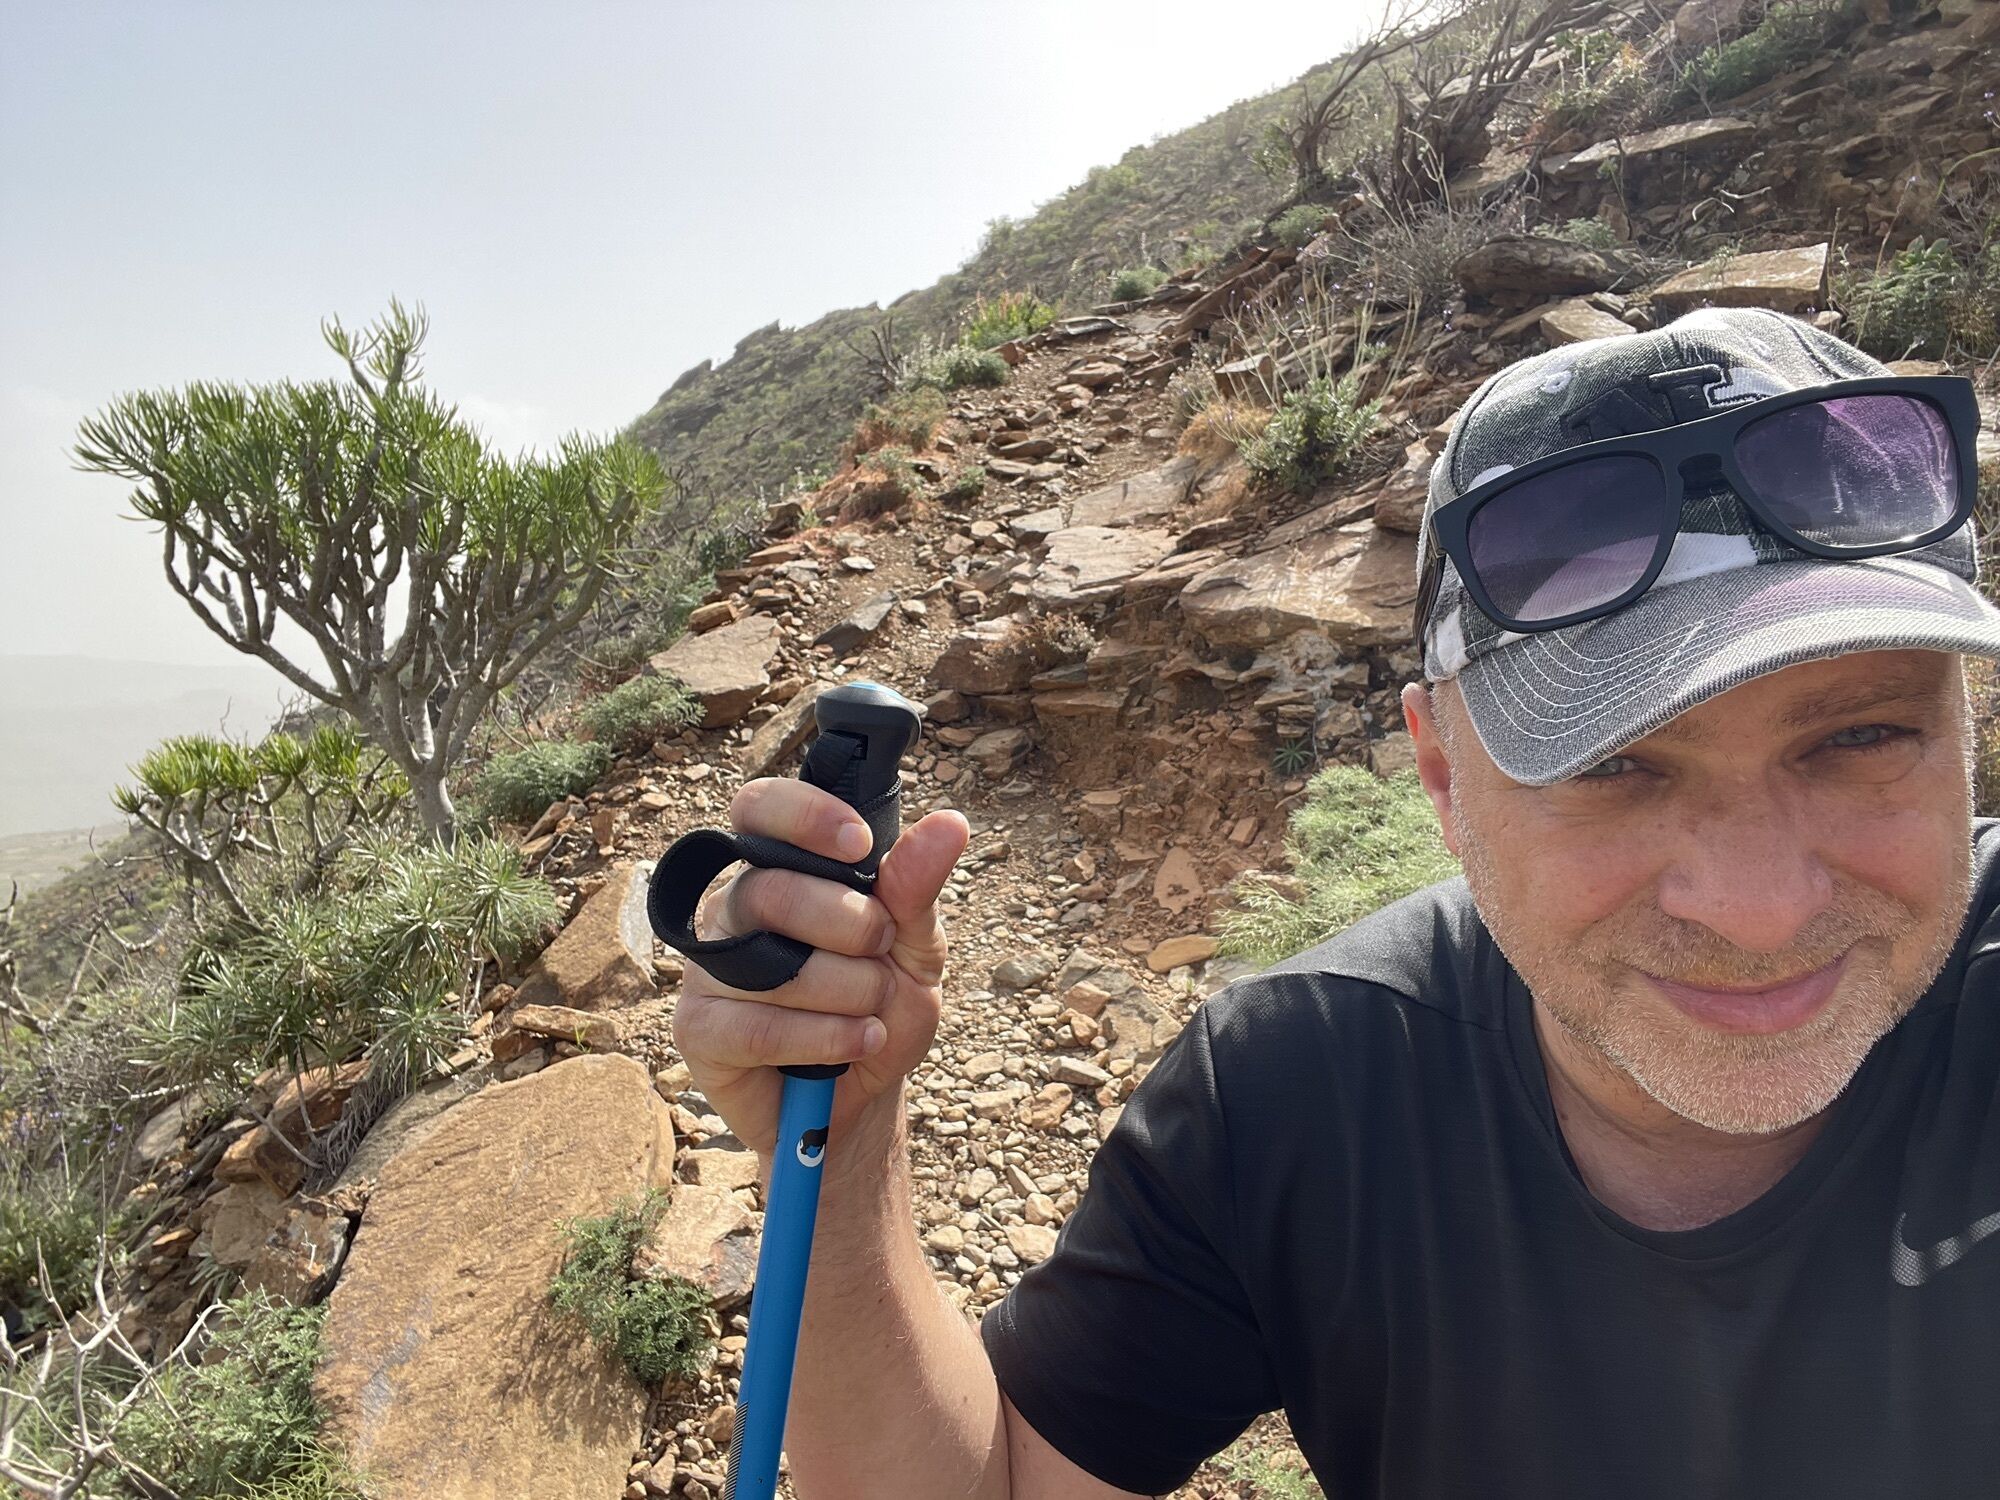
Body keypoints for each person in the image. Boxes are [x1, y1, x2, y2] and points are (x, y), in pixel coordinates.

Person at [670, 306, 2000, 1498]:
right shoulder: (1299, 1095)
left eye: (1862, 737)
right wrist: (840, 1149)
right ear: (1441, 776)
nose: (1761, 909)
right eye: (1610, 765)